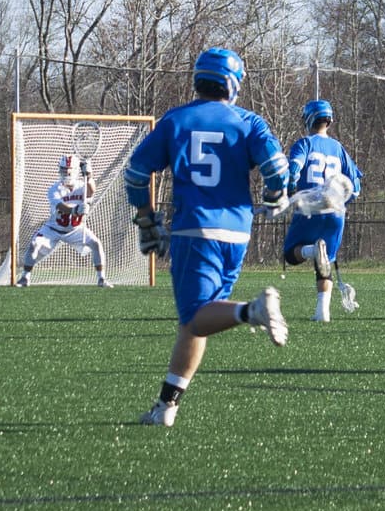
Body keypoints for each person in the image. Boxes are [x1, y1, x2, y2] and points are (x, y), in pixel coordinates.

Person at [122, 48, 291, 427]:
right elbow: (277, 168)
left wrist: (146, 216)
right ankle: (167, 406)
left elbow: (134, 173)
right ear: (232, 84)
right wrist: (273, 197)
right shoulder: (248, 121)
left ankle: (252, 312)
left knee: (198, 317)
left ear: (198, 79)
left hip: (194, 229)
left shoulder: (176, 120)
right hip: (236, 233)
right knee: (196, 319)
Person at [282, 98, 364, 322]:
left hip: (310, 208)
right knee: (325, 259)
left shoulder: (304, 144)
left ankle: (310, 251)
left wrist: (290, 190)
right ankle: (322, 312)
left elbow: (294, 169)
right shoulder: (338, 148)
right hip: (335, 212)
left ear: (309, 118)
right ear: (329, 120)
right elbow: (355, 186)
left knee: (291, 254)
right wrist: (340, 202)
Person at [15, 154, 111, 287]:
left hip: (75, 229)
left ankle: (101, 279)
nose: (65, 172)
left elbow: (91, 191)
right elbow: (60, 206)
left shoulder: (81, 186)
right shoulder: (54, 189)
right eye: (63, 170)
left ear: (76, 170)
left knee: (96, 244)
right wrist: (75, 210)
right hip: (53, 228)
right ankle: (25, 278)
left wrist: (89, 176)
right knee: (34, 244)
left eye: (68, 169)